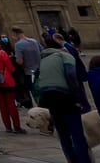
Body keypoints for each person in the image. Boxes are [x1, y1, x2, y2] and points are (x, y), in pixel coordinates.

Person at [38, 35, 92, 163]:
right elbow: (71, 76)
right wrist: (79, 98)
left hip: (49, 98)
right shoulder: (65, 56)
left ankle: (71, 160)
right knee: (77, 134)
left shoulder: (43, 60)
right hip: (65, 97)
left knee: (63, 135)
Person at [12, 26, 41, 108]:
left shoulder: (18, 45)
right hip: (40, 69)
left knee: (35, 93)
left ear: (15, 34)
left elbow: (20, 61)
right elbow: (41, 51)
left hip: (29, 72)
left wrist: (14, 58)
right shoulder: (34, 41)